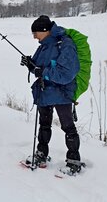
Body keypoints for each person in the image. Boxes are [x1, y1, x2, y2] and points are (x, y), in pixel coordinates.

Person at [20, 15, 82, 174]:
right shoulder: (44, 46)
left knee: (68, 126)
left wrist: (43, 72)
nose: (34, 37)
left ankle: (74, 162)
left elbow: (67, 74)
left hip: (62, 92)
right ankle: (41, 154)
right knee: (44, 123)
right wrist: (30, 64)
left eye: (35, 33)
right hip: (45, 90)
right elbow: (38, 68)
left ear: (45, 30)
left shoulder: (65, 45)